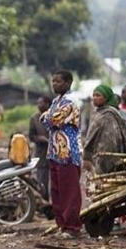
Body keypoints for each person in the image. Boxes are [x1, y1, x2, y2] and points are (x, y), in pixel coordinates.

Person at [40, 70, 83, 238]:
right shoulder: (56, 101)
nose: (54, 84)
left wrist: (48, 117)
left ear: (68, 83)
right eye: (53, 81)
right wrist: (48, 118)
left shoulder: (72, 101)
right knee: (56, 190)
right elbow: (44, 119)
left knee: (69, 191)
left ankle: (72, 227)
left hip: (68, 152)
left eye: (58, 81)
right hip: (54, 151)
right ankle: (62, 225)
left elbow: (51, 120)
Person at [83, 85, 126, 175]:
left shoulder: (109, 115)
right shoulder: (98, 113)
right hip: (98, 156)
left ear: (106, 98)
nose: (94, 98)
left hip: (106, 158)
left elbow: (110, 141)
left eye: (98, 95)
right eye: (94, 95)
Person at [28, 95, 52, 199]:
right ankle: (45, 202)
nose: (39, 105)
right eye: (38, 103)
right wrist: (40, 138)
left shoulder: (54, 116)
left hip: (56, 153)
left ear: (47, 104)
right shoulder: (34, 119)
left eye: (41, 103)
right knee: (42, 180)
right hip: (41, 153)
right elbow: (31, 136)